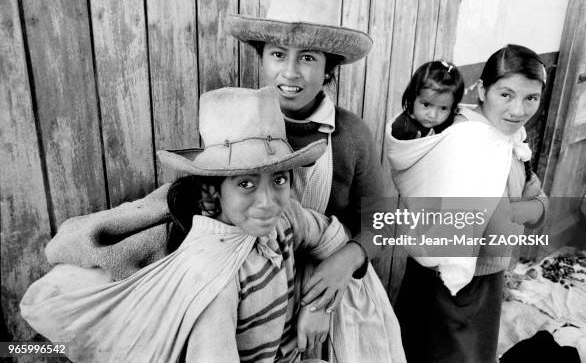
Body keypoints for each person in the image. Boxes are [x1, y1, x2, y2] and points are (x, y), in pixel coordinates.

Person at [46, 0, 386, 316]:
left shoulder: (351, 133)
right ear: (262, 56)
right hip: (248, 285)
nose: (291, 72)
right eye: (279, 54)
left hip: (328, 285)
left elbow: (383, 218)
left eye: (309, 57)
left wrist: (347, 260)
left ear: (330, 66)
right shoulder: (236, 124)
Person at [20, 87, 380, 362]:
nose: (267, 200)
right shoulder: (215, 279)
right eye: (246, 183)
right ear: (212, 193)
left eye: (279, 180)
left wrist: (322, 296)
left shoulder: (289, 213)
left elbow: (342, 233)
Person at [386, 44, 549, 362]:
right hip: (443, 285)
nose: (518, 109)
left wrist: (528, 210)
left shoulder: (511, 138)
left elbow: (536, 199)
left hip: (486, 281)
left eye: (531, 98)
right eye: (506, 95)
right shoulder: (461, 139)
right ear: (483, 89)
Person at [391, 60, 464, 140]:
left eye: (443, 108)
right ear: (413, 97)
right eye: (426, 105)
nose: (433, 115)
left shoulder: (450, 124)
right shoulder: (402, 127)